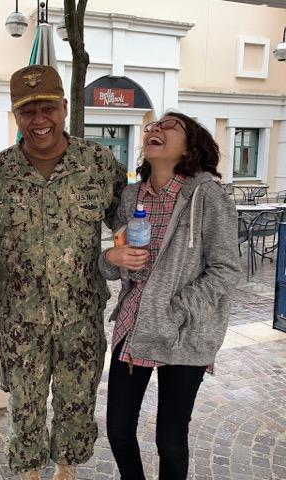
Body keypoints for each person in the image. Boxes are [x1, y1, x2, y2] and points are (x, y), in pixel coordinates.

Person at [0, 65, 127, 480]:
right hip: (19, 318)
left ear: (64, 107)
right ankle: (27, 472)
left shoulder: (98, 163)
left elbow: (126, 221)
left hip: (79, 314)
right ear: (15, 116)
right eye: (28, 112)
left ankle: (67, 469)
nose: (39, 120)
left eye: (47, 108)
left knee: (77, 399)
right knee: (23, 403)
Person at [100, 112, 241, 479]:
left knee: (171, 440)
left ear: (190, 145)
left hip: (184, 330)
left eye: (167, 126)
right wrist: (111, 258)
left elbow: (226, 269)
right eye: (151, 127)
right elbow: (117, 263)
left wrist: (177, 310)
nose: (154, 130)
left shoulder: (208, 194)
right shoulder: (131, 196)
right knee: (117, 429)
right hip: (134, 323)